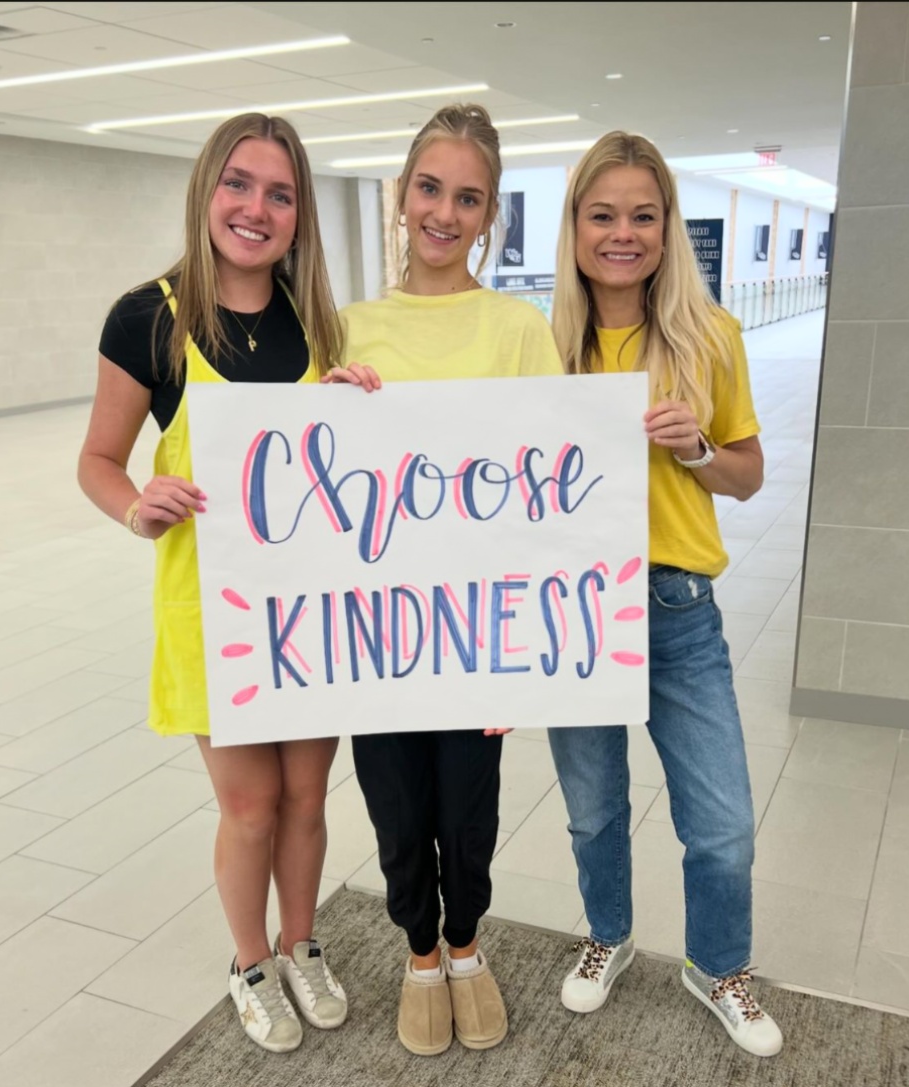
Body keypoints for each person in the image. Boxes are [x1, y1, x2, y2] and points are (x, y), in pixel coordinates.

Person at [77, 113, 348, 1055]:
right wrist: (136, 504)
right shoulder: (147, 317)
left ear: (299, 215)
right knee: (250, 805)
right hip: (217, 615)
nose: (256, 207)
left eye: (280, 193)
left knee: (310, 799)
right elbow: (100, 460)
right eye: (240, 183)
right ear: (206, 189)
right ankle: (251, 963)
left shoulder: (316, 318)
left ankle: (301, 940)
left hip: (312, 611)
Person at [326, 103, 564, 1056]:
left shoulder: (517, 329)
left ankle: (467, 943)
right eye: (430, 188)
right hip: (377, 629)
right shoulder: (346, 325)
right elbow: (315, 489)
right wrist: (328, 412)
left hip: (474, 629)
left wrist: (526, 649)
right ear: (401, 195)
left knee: (468, 808)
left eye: (468, 197)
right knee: (395, 808)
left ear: (489, 213)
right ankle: (419, 952)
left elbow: (552, 493)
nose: (444, 211)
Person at [546, 131, 784, 1058]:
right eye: (602, 214)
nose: (623, 233)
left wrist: (694, 450)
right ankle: (608, 933)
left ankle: (717, 962)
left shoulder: (708, 336)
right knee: (593, 808)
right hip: (575, 611)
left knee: (721, 821)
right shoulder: (543, 345)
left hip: (679, 609)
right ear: (574, 226)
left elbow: (750, 474)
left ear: (668, 227)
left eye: (644, 215)